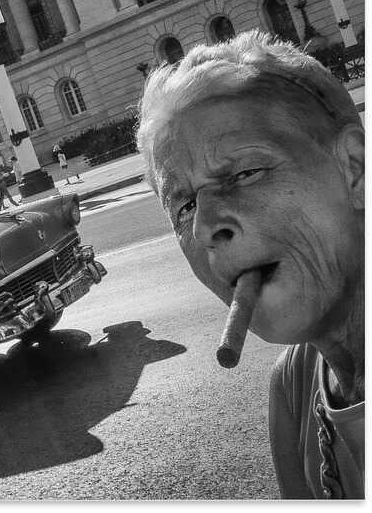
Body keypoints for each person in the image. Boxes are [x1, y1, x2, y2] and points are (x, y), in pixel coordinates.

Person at [137, 30, 364, 499]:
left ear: (354, 168)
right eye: (184, 206)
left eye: (244, 173)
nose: (205, 227)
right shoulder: (294, 385)